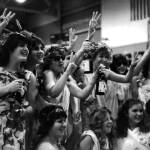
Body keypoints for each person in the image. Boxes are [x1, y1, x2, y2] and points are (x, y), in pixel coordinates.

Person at [0, 32, 38, 150]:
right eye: (21, 45)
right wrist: (8, 88)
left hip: (15, 132)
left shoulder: (29, 76)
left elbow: (33, 106)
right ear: (10, 49)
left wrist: (23, 111)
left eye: (27, 46)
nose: (26, 49)